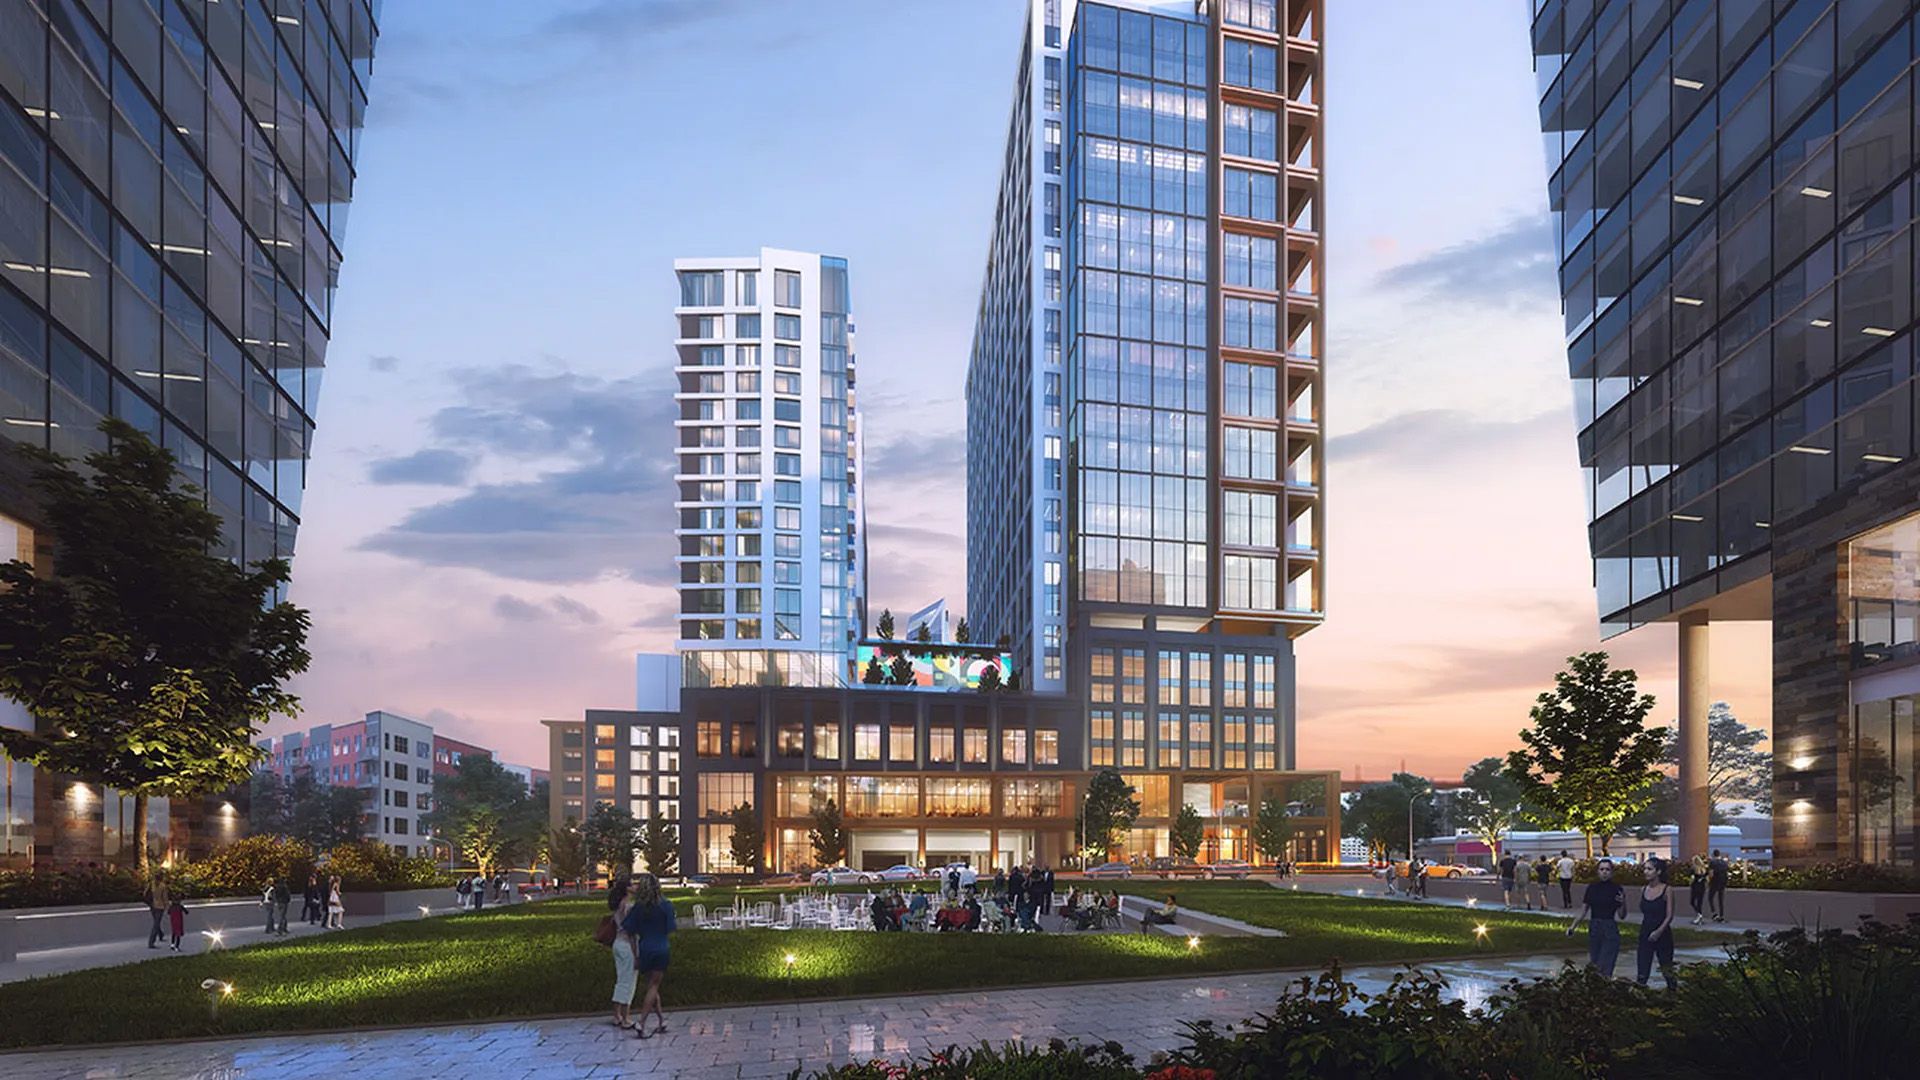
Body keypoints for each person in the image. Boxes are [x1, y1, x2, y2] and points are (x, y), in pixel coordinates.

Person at [620, 872, 675, 1039]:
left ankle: (661, 1020)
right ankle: (642, 1023)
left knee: (651, 985)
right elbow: (670, 928)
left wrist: (635, 953)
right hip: (661, 947)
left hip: (645, 948)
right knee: (654, 986)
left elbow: (629, 931)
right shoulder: (666, 905)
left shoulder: (638, 907)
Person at [1566, 858, 1627, 978]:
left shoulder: (1616, 889)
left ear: (1611, 872)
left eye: (1607, 870)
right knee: (1595, 964)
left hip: (1609, 927)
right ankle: (1597, 990)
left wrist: (1623, 902)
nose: (1604, 872)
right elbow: (1583, 910)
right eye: (1602, 869)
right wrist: (1573, 926)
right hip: (1595, 928)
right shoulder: (1592, 888)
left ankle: (1606, 986)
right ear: (1598, 871)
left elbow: (1622, 915)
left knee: (1605, 964)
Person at [1635, 860, 1678, 989]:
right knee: (1643, 967)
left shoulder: (1667, 890)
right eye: (1645, 869)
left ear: (1658, 871)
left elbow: (1669, 915)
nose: (1646, 872)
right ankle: (1640, 994)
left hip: (1662, 933)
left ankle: (1672, 993)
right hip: (1645, 931)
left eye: (1649, 869)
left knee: (1666, 967)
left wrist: (1659, 931)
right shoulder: (1643, 889)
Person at [608, 876, 638, 1030]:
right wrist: (636, 952)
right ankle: (626, 1017)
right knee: (629, 981)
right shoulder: (628, 906)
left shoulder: (618, 906)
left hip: (617, 943)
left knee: (621, 980)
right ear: (627, 888)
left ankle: (616, 1015)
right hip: (627, 946)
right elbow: (631, 932)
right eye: (632, 884)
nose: (635, 886)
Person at [143, 873, 171, 949]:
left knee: (156, 922)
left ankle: (160, 934)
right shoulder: (163, 886)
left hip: (152, 906)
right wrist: (168, 907)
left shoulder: (151, 884)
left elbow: (144, 893)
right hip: (160, 907)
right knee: (156, 924)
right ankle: (151, 942)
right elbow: (165, 898)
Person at [1707, 849, 1730, 923]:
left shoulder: (1712, 862)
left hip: (1714, 882)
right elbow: (1727, 873)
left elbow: (1711, 874)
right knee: (1720, 900)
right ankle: (1722, 915)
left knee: (1710, 898)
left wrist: (1709, 881)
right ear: (1719, 854)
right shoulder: (1724, 863)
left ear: (1713, 855)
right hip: (1722, 883)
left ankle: (1714, 913)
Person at [1688, 853, 1709, 925]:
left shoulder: (1693, 869)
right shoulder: (1704, 869)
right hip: (1702, 888)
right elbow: (1707, 879)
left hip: (1695, 887)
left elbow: (1692, 879)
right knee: (1700, 903)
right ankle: (1699, 916)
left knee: (1692, 902)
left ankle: (1699, 915)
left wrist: (1690, 883)